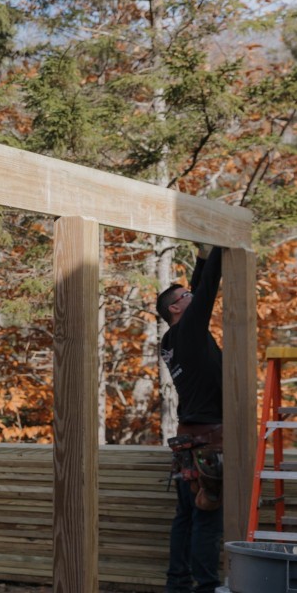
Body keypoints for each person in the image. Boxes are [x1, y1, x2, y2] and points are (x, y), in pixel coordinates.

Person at [156, 245, 224, 593]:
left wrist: (200, 259)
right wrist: (217, 254)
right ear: (175, 307)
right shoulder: (188, 332)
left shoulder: (172, 339)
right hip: (209, 440)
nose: (192, 295)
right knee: (207, 517)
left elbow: (197, 293)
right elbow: (208, 289)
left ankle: (177, 584)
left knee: (186, 516)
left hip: (189, 439)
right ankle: (206, 588)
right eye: (185, 295)